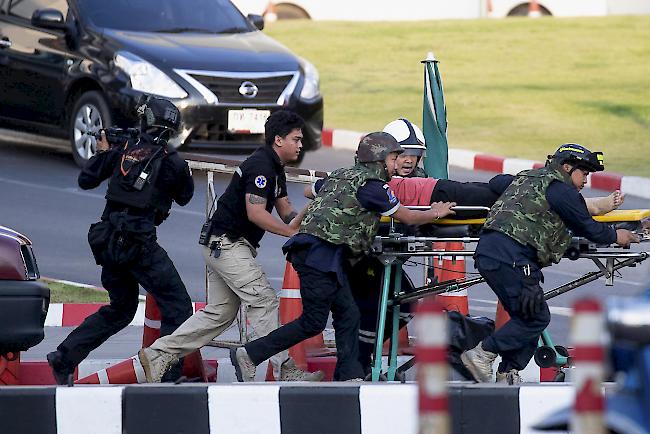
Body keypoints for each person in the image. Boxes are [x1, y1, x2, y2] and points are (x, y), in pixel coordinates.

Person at [229, 132, 456, 381]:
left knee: (349, 314)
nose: (396, 164)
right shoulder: (374, 187)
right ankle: (250, 354)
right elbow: (409, 217)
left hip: (320, 254)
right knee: (314, 321)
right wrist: (436, 212)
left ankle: (349, 375)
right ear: (380, 159)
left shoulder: (340, 174)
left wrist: (299, 222)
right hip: (319, 256)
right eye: (393, 158)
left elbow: (312, 193)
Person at [137, 110, 323, 383]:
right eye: (296, 139)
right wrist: (289, 233)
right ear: (279, 140)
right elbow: (256, 213)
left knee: (219, 313)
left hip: (223, 245)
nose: (300, 145)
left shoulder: (274, 168)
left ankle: (157, 355)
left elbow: (287, 213)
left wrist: (314, 205)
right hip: (226, 245)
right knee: (264, 300)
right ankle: (283, 368)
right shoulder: (261, 167)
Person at [461, 143, 640, 385]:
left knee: (527, 317)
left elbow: (496, 181)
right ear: (567, 168)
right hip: (513, 258)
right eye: (583, 173)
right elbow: (589, 228)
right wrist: (617, 236)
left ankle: (507, 372)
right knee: (535, 318)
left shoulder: (526, 179)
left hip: (490, 254)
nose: (585, 180)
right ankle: (482, 354)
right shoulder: (562, 192)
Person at [47, 96, 195, 385]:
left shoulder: (121, 151)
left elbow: (86, 180)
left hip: (110, 242)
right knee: (178, 308)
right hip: (140, 244)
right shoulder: (172, 162)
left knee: (122, 309)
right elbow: (185, 196)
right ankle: (168, 375)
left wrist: (104, 151)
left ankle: (64, 357)